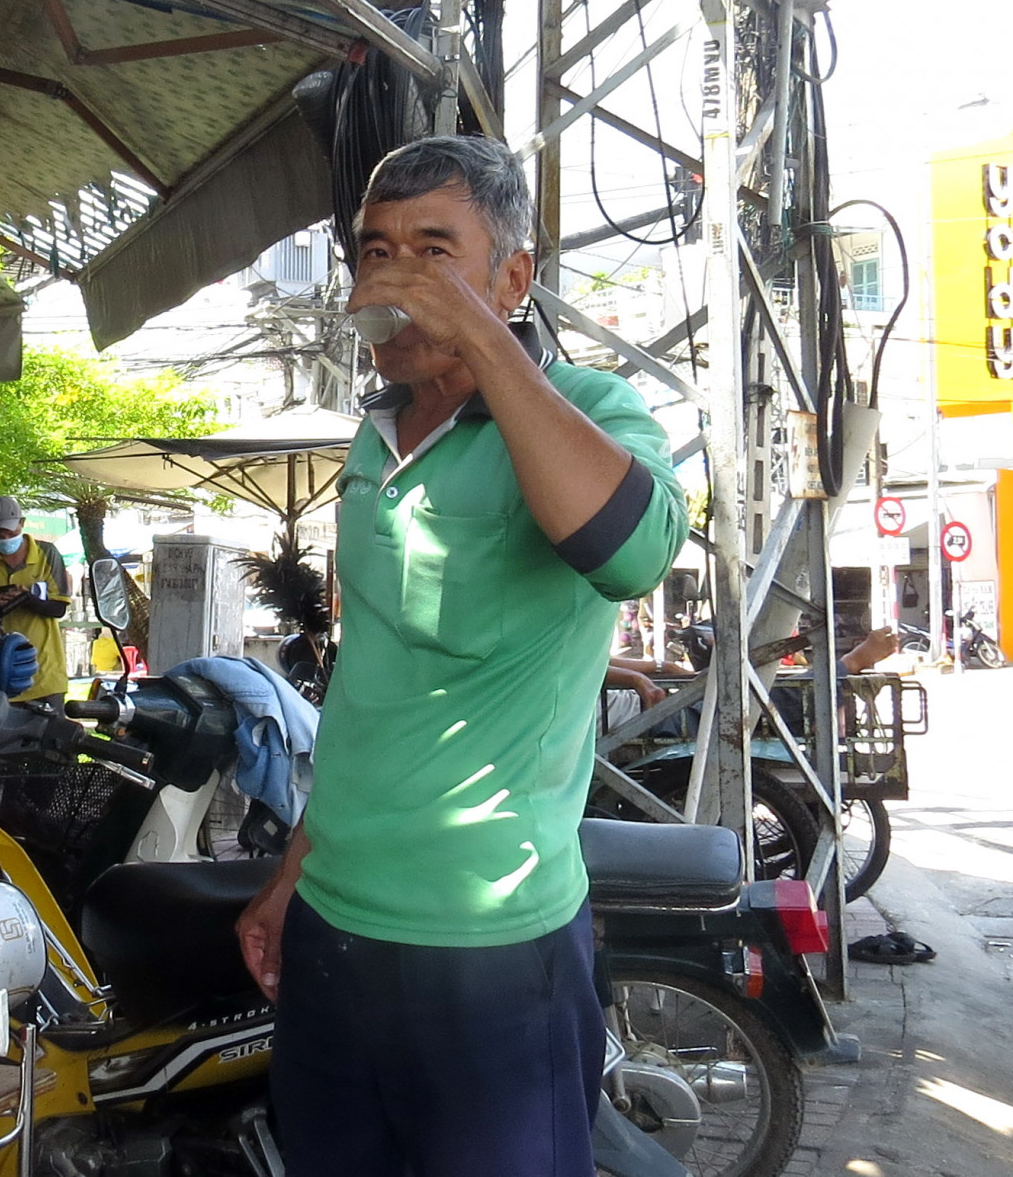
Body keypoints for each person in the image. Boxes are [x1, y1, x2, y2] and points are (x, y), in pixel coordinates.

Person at [236, 136, 689, 1176]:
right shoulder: (374, 434)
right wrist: (291, 874)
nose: (392, 278)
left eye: (434, 253)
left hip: (494, 948)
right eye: (376, 251)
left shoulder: (594, 411)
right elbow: (373, 682)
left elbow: (629, 554)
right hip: (335, 928)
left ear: (512, 277)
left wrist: (485, 344)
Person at [0, 495, 72, 711]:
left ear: (22, 524)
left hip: (44, 675)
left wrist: (27, 600)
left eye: (11, 532)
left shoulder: (47, 554)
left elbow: (59, 608)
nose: (6, 538)